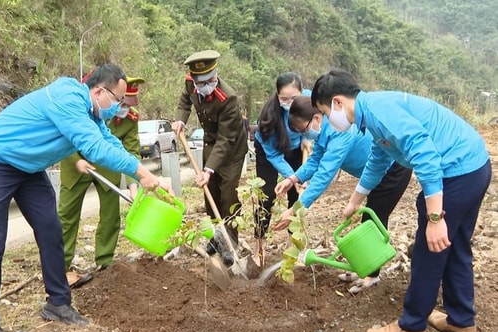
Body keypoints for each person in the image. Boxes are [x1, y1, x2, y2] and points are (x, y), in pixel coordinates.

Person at [0, 64, 170, 332]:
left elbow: (108, 141)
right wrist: (141, 173)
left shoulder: (92, 112)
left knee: (51, 228)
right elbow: (94, 148)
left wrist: (146, 174)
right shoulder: (67, 97)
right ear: (99, 91)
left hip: (29, 168)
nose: (119, 107)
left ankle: (58, 304)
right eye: (118, 100)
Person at [311, 68, 491, 332]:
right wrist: (354, 201)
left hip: (459, 171)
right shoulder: (372, 115)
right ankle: (461, 321)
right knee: (454, 246)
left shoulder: (380, 111)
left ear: (337, 102)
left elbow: (426, 156)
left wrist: (434, 217)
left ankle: (412, 323)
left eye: (325, 112)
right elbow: (378, 160)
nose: (327, 120)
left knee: (429, 249)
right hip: (473, 166)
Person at [272, 96, 412, 293]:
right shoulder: (323, 133)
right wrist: (293, 179)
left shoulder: (340, 132)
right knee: (368, 219)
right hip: (375, 173)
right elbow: (315, 161)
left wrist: (296, 209)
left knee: (373, 218)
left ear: (316, 119)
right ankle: (364, 268)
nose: (306, 133)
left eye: (304, 129)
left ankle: (372, 275)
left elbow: (324, 174)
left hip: (392, 169)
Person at [58, 75, 145, 286]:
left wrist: (134, 184)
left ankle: (105, 260)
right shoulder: (83, 106)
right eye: (122, 103)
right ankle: (61, 266)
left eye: (128, 105)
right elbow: (64, 133)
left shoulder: (130, 118)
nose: (123, 109)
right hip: (75, 163)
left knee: (110, 216)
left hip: (107, 169)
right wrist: (76, 160)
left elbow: (131, 150)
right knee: (66, 216)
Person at [172, 50, 248, 266]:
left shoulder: (228, 98)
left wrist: (208, 169)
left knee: (228, 196)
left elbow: (226, 139)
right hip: (210, 143)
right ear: (194, 80)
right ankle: (217, 235)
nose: (207, 85)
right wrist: (180, 120)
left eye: (211, 80)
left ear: (216, 75)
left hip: (231, 148)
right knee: (210, 194)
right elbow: (185, 101)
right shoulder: (190, 84)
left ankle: (230, 243)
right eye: (202, 82)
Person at [253, 72, 311, 266]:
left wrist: (305, 139)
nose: (289, 102)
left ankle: (291, 248)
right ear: (277, 96)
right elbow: (275, 157)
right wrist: (292, 178)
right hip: (271, 152)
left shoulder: (308, 102)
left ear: (301, 93)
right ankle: (259, 249)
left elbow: (311, 125)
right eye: (283, 99)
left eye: (294, 98)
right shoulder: (268, 119)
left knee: (297, 198)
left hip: (296, 150)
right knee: (266, 195)